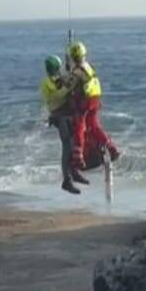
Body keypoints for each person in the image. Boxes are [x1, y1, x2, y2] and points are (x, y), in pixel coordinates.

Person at [39, 55, 90, 195]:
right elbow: (55, 97)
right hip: (58, 115)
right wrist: (68, 87)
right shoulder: (46, 83)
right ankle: (66, 180)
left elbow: (67, 84)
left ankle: (73, 173)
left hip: (67, 114)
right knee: (67, 146)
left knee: (74, 144)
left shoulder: (58, 78)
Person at [66, 41, 120, 170]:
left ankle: (78, 154)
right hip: (95, 97)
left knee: (79, 125)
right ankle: (110, 147)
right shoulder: (89, 66)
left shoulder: (77, 70)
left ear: (73, 57)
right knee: (94, 125)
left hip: (85, 99)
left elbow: (69, 85)